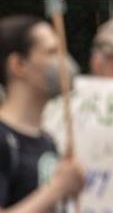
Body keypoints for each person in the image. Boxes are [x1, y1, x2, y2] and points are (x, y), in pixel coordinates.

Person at [0, 15, 85, 212]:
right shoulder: (4, 140)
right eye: (52, 52)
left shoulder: (46, 140)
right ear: (18, 65)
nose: (64, 62)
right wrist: (56, 189)